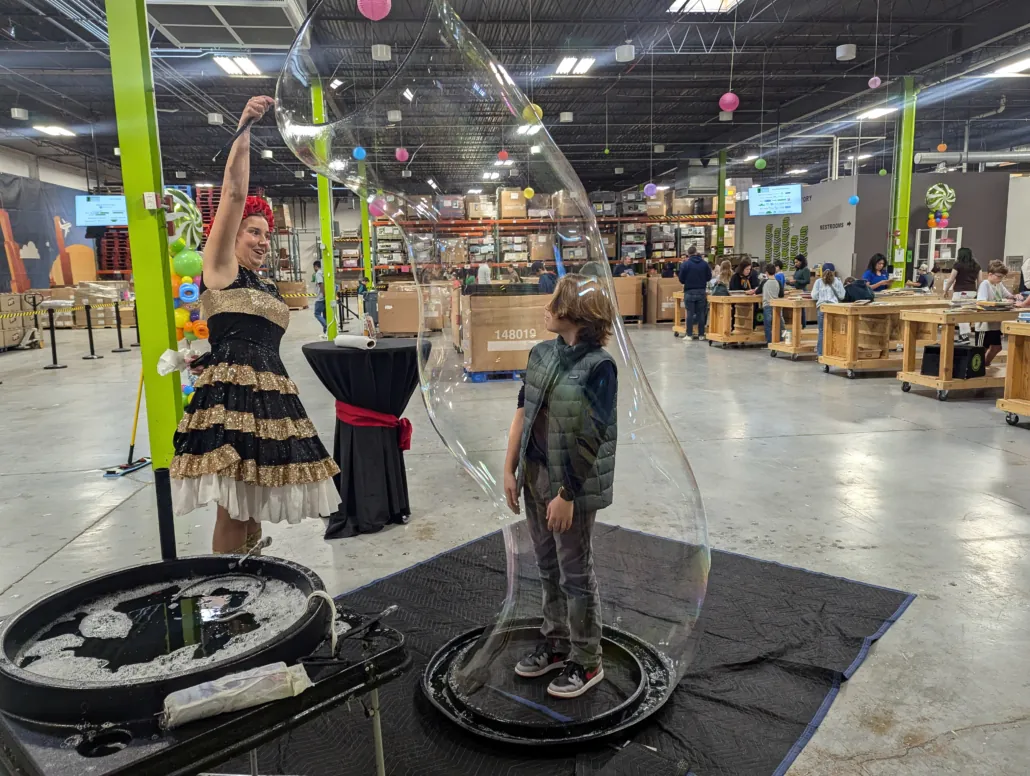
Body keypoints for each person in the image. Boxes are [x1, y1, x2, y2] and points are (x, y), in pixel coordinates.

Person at [170, 96, 340, 554]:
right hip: (231, 399)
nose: (263, 241)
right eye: (254, 232)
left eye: (267, 234)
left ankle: (252, 582)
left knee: (251, 506)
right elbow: (232, 193)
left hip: (266, 396)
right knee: (233, 506)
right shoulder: (220, 268)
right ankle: (226, 597)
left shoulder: (260, 283)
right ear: (233, 234)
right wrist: (244, 127)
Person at [503, 274, 617, 700]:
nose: (546, 309)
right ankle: (555, 642)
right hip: (534, 475)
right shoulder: (541, 354)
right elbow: (522, 409)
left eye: (554, 302)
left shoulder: (600, 366)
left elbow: (593, 437)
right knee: (546, 564)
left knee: (574, 570)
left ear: (577, 313)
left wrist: (567, 494)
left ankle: (588, 660)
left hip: (571, 483)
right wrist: (509, 467)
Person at [976, 261, 1016, 367]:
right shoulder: (985, 284)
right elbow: (981, 301)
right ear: (990, 274)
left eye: (1002, 277)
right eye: (999, 276)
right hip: (985, 324)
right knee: (980, 350)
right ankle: (976, 368)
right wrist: (998, 303)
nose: (1000, 279)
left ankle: (985, 364)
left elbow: (1008, 295)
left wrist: (1015, 297)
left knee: (997, 347)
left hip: (995, 323)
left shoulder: (998, 284)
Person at [944, 248, 981, 341]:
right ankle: (963, 335)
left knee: (959, 313)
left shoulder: (958, 265)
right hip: (972, 292)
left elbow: (951, 279)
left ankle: (964, 336)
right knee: (967, 313)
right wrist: (979, 293)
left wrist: (946, 290)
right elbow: (980, 281)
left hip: (960, 292)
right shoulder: (976, 266)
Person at [678, 245, 712, 340]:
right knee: (701, 313)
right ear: (696, 252)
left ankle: (689, 334)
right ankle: (701, 334)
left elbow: (681, 279)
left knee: (690, 313)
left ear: (688, 254)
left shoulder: (685, 264)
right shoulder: (704, 264)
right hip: (701, 291)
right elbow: (709, 277)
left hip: (689, 291)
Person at [811, 262, 845, 356]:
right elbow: (842, 296)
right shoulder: (838, 281)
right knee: (835, 331)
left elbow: (814, 296)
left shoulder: (818, 282)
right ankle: (833, 353)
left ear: (822, 272)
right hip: (834, 309)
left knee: (822, 331)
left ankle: (820, 354)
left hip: (822, 308)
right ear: (834, 272)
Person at [761, 262, 782, 344]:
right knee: (778, 325)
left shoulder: (764, 282)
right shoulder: (778, 282)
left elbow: (757, 291)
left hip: (767, 305)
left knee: (768, 325)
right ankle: (779, 340)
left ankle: (769, 342)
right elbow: (781, 294)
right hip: (776, 305)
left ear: (766, 272)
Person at [311, 259, 327, 337]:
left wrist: (324, 295)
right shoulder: (324, 272)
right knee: (325, 315)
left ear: (316, 266)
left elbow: (321, 284)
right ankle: (326, 332)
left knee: (317, 313)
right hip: (325, 297)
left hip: (321, 297)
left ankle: (326, 326)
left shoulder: (318, 273)